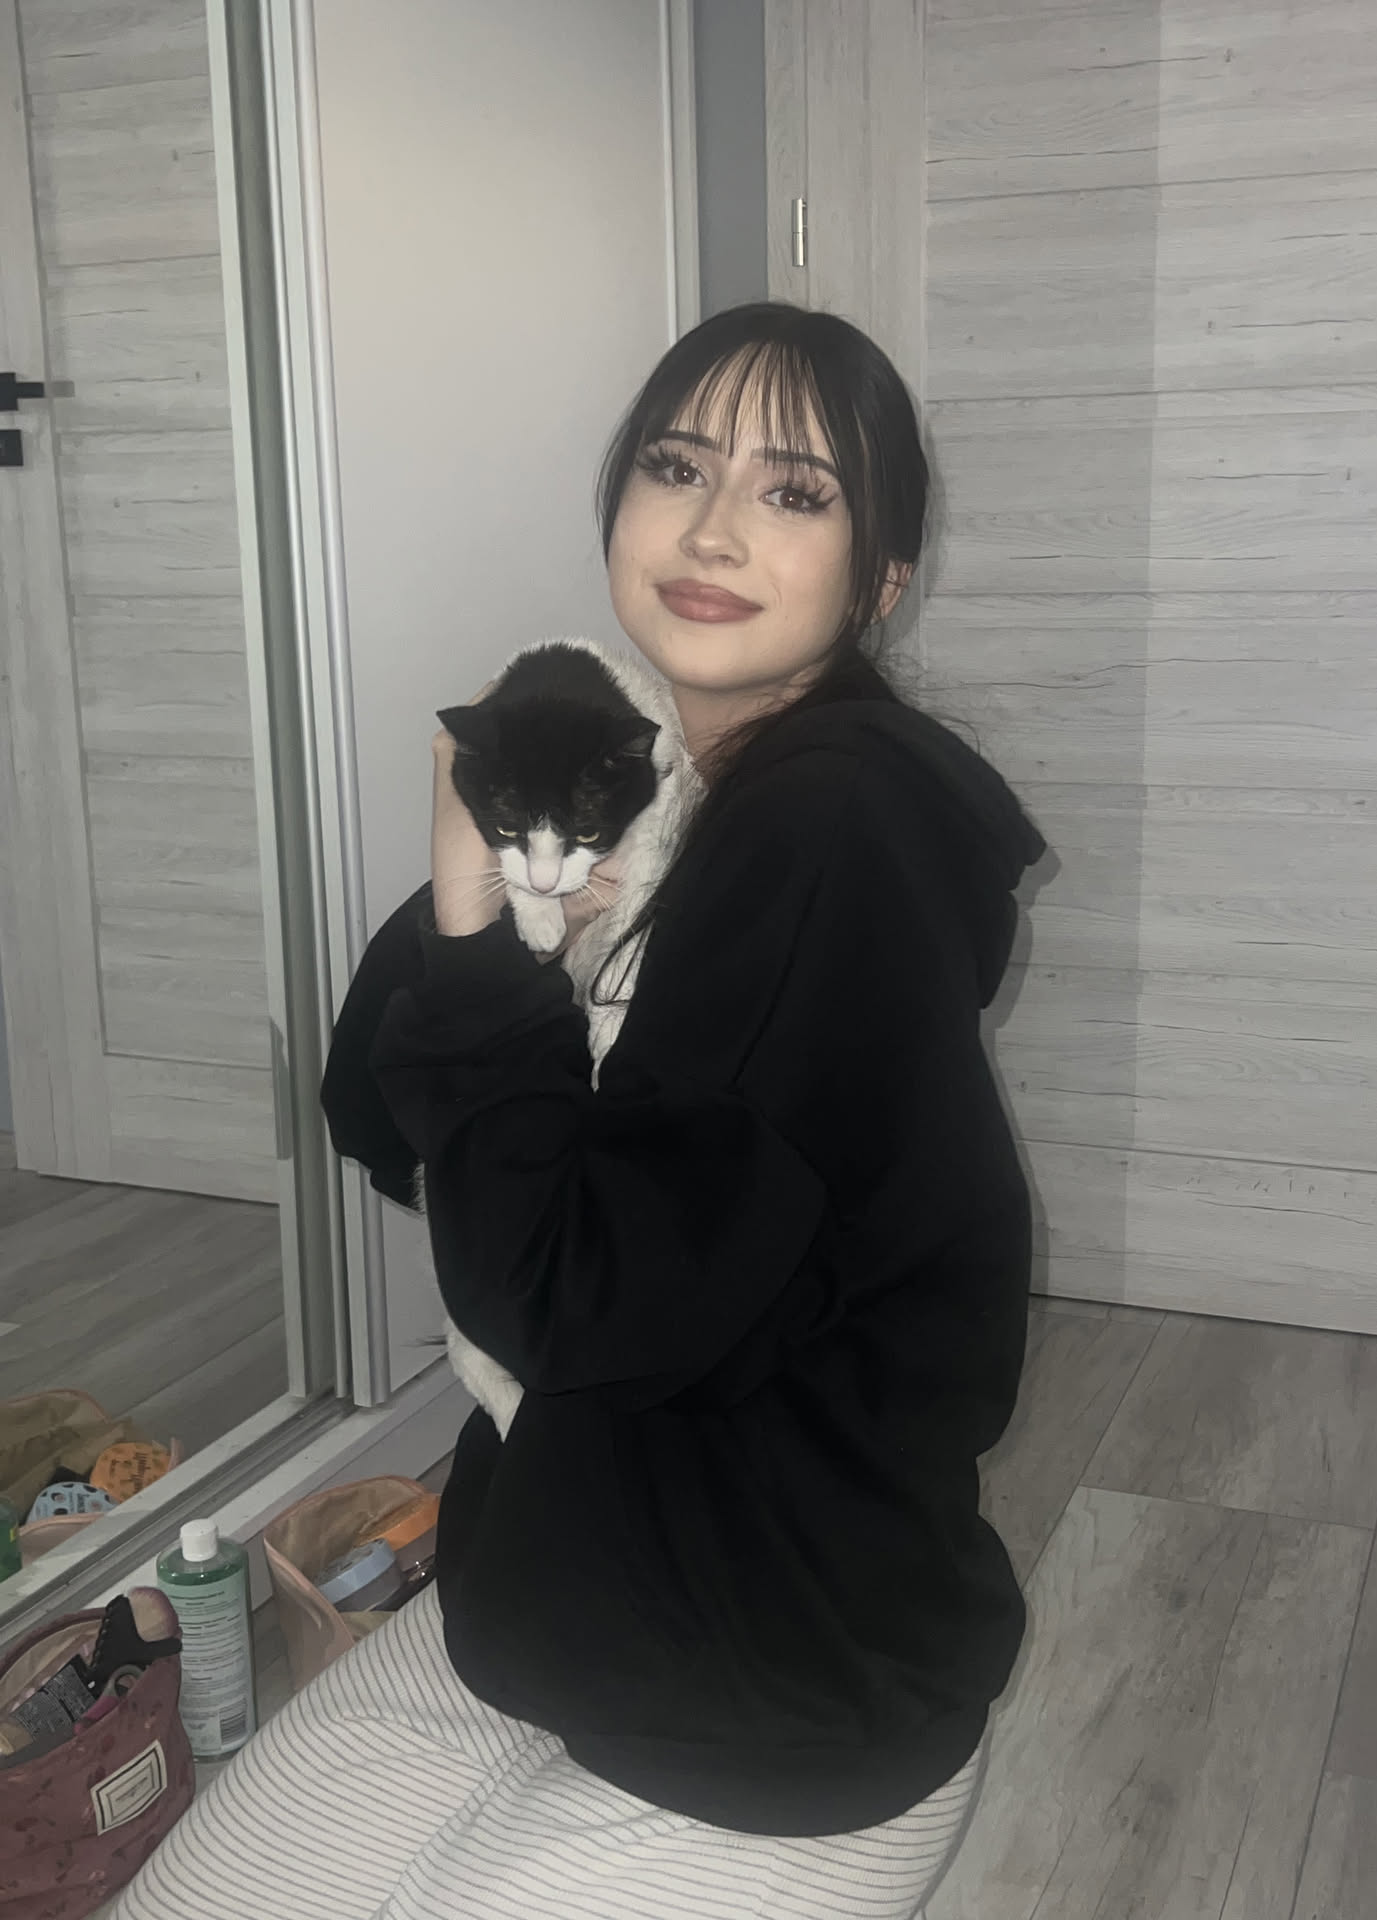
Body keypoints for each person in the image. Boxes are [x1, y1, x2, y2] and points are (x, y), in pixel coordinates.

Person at [114, 302, 1045, 1920]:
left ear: (883, 579)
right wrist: (483, 895)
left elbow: (567, 1301)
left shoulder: (833, 831)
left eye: (795, 491)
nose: (712, 527)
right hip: (566, 1603)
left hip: (778, 1694)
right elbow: (377, 1115)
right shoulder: (664, 789)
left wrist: (488, 952)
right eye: (677, 467)